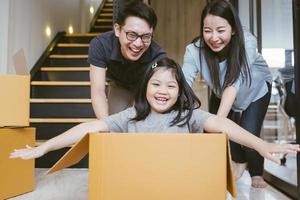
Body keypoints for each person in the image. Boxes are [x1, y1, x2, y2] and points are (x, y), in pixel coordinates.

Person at [11, 58, 300, 172]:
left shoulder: (188, 117)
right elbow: (90, 127)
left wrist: (261, 145)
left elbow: (223, 124)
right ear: (145, 89)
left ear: (180, 91)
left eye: (171, 85)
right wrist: (46, 147)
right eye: (156, 84)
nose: (163, 91)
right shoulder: (130, 117)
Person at [182, 0, 273, 188]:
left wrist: (217, 123)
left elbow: (234, 82)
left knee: (248, 131)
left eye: (220, 30)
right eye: (207, 31)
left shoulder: (247, 41)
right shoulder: (194, 51)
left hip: (255, 89)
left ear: (232, 29)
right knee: (222, 131)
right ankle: (238, 161)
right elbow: (182, 85)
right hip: (221, 90)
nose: (214, 37)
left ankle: (256, 173)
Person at [88, 1, 166, 119]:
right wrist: (106, 126)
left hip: (144, 87)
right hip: (118, 84)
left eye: (146, 37)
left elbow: (161, 90)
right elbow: (98, 90)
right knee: (114, 121)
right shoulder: (101, 45)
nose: (138, 44)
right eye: (132, 35)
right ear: (118, 30)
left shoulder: (157, 55)